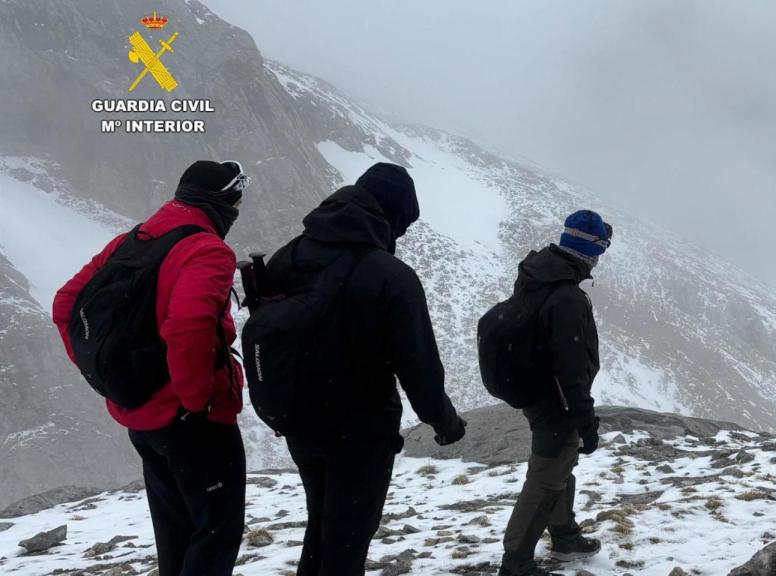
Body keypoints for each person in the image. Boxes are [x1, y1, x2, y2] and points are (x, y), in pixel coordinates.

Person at [261, 162, 466, 576]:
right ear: (391, 214)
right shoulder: (391, 276)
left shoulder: (289, 255)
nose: (401, 234)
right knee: (348, 537)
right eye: (403, 223)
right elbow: (418, 365)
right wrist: (444, 422)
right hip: (359, 430)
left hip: (299, 423)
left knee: (320, 523)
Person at [53, 160, 249, 575]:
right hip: (193, 421)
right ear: (224, 204)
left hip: (141, 418)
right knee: (215, 532)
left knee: (175, 531)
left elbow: (66, 303)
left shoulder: (133, 239)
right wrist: (195, 402)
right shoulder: (208, 249)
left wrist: (103, 375)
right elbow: (189, 327)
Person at [499, 210, 611, 576]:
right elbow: (571, 370)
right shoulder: (568, 298)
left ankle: (564, 534)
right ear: (590, 251)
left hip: (536, 393)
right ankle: (516, 561)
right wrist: (586, 421)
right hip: (555, 402)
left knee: (561, 464)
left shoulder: (538, 275)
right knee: (546, 476)